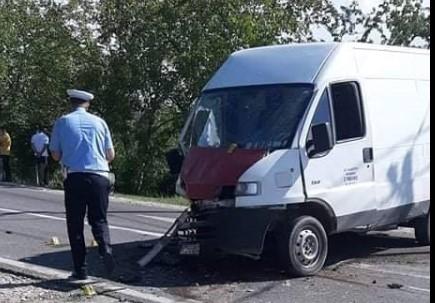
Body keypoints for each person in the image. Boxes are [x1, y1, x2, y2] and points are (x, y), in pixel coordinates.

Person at [50, 89, 116, 280]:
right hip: (100, 176)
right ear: (88, 104)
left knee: (75, 223)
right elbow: (110, 155)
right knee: (99, 219)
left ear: (71, 102)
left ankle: (81, 270)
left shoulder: (63, 122)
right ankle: (105, 249)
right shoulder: (100, 122)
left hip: (75, 176)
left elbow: (55, 154)